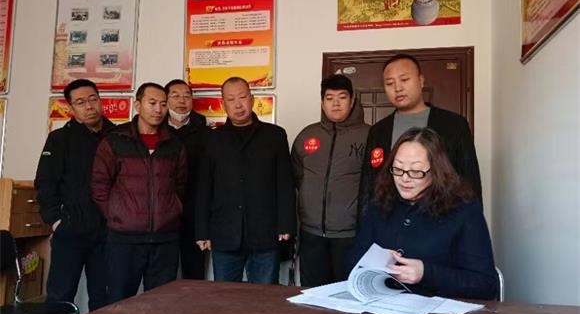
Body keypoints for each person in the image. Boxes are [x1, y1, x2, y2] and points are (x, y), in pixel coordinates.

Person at [350, 127, 497, 300]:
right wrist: (374, 261)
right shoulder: (380, 202)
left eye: (416, 172)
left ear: (436, 171)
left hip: (439, 311)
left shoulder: (464, 209)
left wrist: (426, 273)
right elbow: (351, 263)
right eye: (398, 169)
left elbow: (485, 285)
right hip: (383, 307)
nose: (405, 178)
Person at [91, 82, 187, 304]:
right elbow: (99, 186)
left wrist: (172, 211)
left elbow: (180, 185)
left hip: (165, 238)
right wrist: (118, 215)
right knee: (119, 302)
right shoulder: (115, 141)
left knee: (161, 303)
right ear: (137, 105)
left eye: (163, 104)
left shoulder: (175, 145)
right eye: (152, 103)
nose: (158, 109)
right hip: (124, 240)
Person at [195, 77, 295, 284]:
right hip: (224, 232)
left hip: (265, 232)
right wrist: (202, 230)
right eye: (231, 99)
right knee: (226, 296)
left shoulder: (274, 135)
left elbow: (285, 183)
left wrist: (286, 224)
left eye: (242, 97)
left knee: (263, 297)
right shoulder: (212, 139)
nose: (238, 105)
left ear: (252, 99)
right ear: (223, 104)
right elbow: (204, 187)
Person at [359, 53, 482, 220]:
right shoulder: (378, 130)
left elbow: (470, 180)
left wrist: (472, 224)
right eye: (390, 83)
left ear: (421, 81)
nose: (397, 88)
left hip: (441, 220)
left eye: (404, 79)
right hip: (390, 221)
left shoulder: (454, 125)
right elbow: (368, 184)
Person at [34, 79, 115, 311]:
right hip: (71, 231)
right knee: (60, 297)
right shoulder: (60, 139)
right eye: (80, 102)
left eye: (92, 99)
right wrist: (56, 221)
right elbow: (45, 182)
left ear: (100, 101)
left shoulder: (117, 136)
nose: (89, 106)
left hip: (108, 232)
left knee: (104, 299)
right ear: (71, 108)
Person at [291, 74, 369, 287]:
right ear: (322, 102)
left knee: (347, 293)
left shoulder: (369, 135)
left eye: (342, 97)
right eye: (329, 98)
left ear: (352, 101)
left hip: (350, 235)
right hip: (311, 233)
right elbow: (297, 176)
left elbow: (375, 184)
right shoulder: (307, 135)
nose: (335, 103)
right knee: (313, 293)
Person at [165, 79, 207, 280]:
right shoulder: (156, 129)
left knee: (194, 273)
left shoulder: (205, 133)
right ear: (166, 100)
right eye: (175, 96)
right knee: (163, 272)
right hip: (163, 211)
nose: (181, 100)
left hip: (195, 210)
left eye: (186, 96)